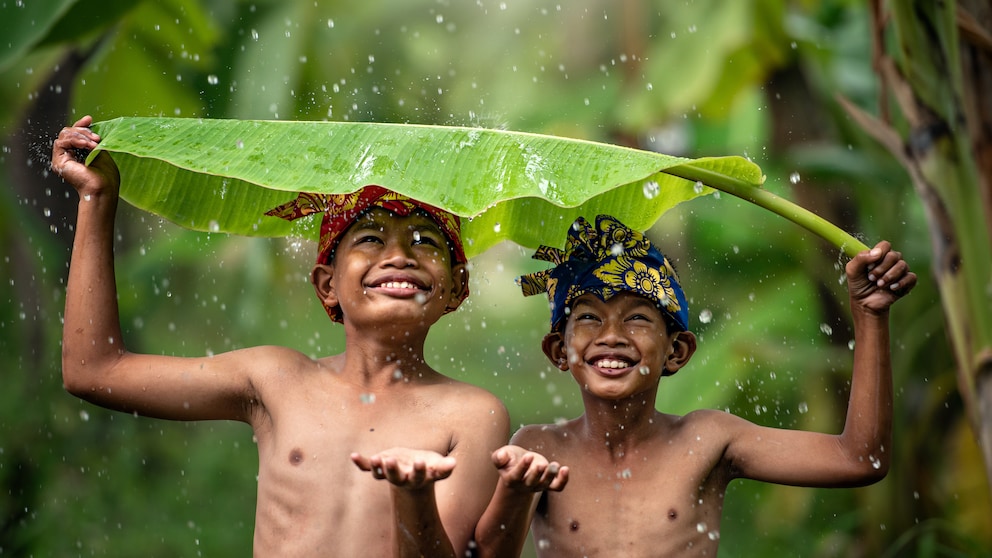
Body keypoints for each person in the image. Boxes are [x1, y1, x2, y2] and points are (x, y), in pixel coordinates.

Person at [51, 115, 510, 558]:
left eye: (425, 241)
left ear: (455, 287)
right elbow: (94, 371)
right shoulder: (277, 380)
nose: (399, 255)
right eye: (370, 237)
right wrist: (96, 198)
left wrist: (413, 496)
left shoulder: (471, 415)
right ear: (327, 284)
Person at [474, 214, 916, 557]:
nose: (611, 334)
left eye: (638, 317)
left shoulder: (707, 440)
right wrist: (514, 492)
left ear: (677, 350)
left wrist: (870, 315)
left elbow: (861, 459)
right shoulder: (538, 450)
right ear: (558, 349)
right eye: (588, 316)